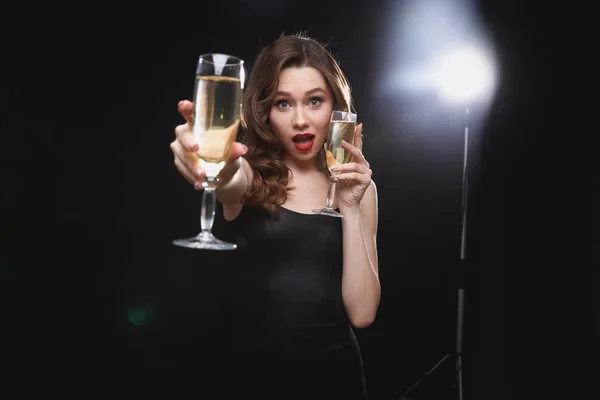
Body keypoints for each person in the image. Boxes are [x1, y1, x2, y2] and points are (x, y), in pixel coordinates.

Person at [170, 33, 380, 400]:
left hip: (335, 380)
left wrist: (348, 205)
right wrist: (212, 161)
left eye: (314, 101)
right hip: (253, 380)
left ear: (335, 105)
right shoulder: (252, 170)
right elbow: (231, 182)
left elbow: (362, 313)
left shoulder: (360, 189)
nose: (300, 120)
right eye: (283, 104)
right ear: (266, 110)